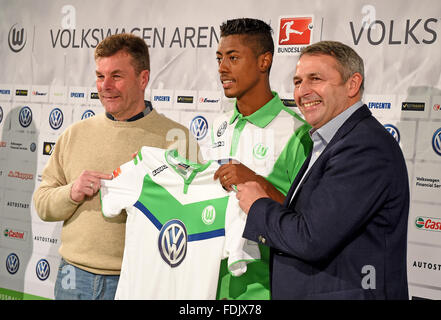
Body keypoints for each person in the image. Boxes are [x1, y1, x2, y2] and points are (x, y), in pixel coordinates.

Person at [236, 40, 409, 299]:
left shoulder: (364, 147)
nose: (302, 91)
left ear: (352, 84)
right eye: (297, 82)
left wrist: (258, 204)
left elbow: (310, 239)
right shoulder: (330, 140)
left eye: (315, 79)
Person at [33, 33, 198, 300]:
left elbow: (193, 217)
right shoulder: (74, 134)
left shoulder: (177, 138)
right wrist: (71, 192)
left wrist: (154, 187)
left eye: (116, 76)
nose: (105, 86)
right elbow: (42, 203)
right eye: (100, 76)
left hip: (140, 280)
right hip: (73, 278)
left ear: (143, 79)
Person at [210, 18, 312, 300]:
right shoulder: (219, 124)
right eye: (219, 58)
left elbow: (307, 226)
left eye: (233, 57)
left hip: (265, 289)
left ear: (263, 61)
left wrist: (255, 182)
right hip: (209, 285)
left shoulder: (297, 133)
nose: (221, 68)